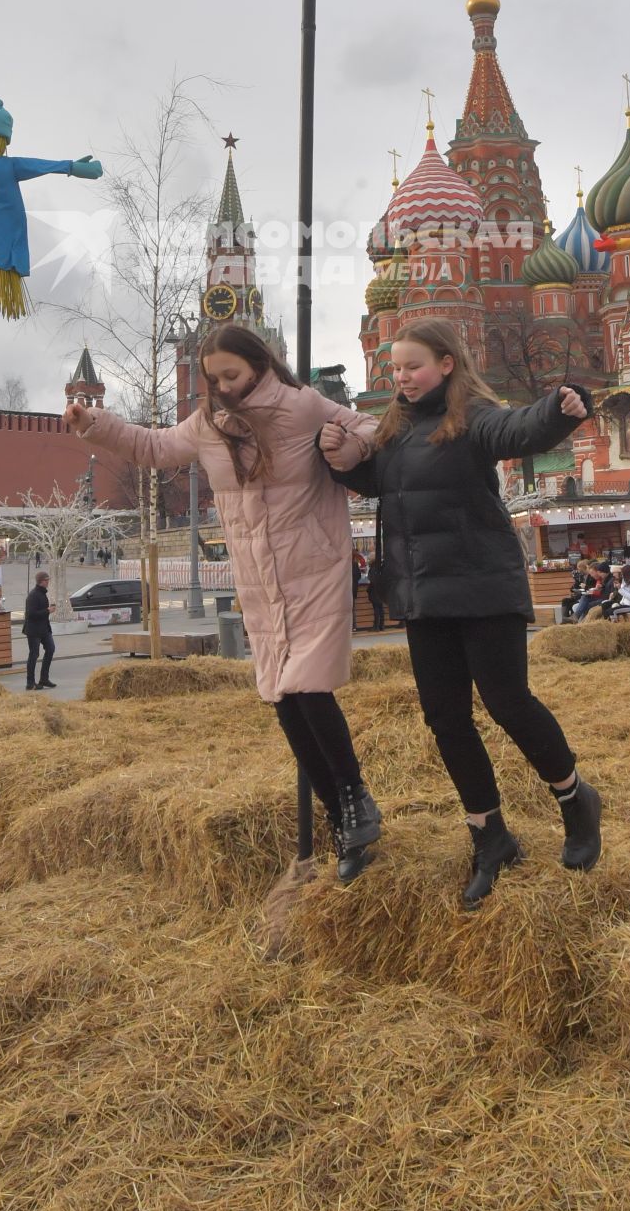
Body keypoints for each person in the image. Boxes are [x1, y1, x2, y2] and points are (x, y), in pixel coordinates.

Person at [67, 322, 384, 883]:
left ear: (259, 364)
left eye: (231, 375)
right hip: (258, 578)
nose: (224, 387)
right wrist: (95, 424)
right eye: (214, 378)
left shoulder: (303, 405)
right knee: (283, 698)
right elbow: (155, 447)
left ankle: (356, 800)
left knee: (310, 688)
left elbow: (372, 429)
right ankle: (338, 818)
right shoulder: (209, 422)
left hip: (311, 565)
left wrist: (347, 446)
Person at [321, 318, 601, 909]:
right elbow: (380, 482)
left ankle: (575, 799)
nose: (402, 377)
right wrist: (343, 460)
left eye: (413, 366)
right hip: (424, 598)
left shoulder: (474, 415)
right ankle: (489, 837)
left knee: (508, 705)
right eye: (395, 368)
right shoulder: (395, 429)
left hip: (482, 588)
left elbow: (516, 430)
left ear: (447, 364)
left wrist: (559, 409)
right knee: (445, 720)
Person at [23, 571, 55, 690]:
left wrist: (48, 610)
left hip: (44, 629)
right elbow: (31, 614)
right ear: (41, 581)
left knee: (51, 649)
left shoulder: (42, 594)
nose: (48, 582)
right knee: (34, 655)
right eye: (47, 580)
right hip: (33, 630)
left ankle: (44, 679)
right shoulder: (33, 595)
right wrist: (48, 611)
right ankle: (30, 683)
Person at [367, 554, 387, 632]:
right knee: (381, 608)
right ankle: (382, 625)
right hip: (380, 590)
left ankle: (376, 626)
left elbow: (372, 579)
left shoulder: (373, 568)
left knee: (376, 609)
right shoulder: (380, 567)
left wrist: (369, 589)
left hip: (374, 591)